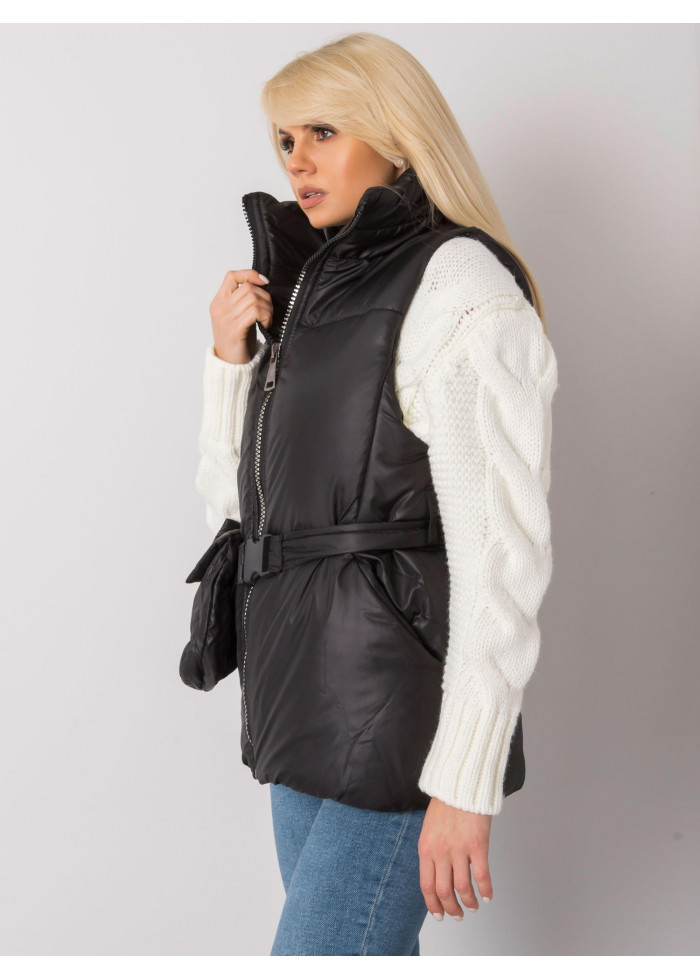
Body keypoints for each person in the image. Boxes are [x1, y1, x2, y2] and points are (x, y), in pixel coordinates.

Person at [193, 32, 559, 955]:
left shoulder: (458, 285)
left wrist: (465, 777)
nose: (297, 160)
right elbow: (239, 515)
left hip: (397, 721)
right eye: (285, 139)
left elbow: (501, 551)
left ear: (395, 136)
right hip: (299, 708)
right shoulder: (308, 294)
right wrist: (230, 363)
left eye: (324, 130)